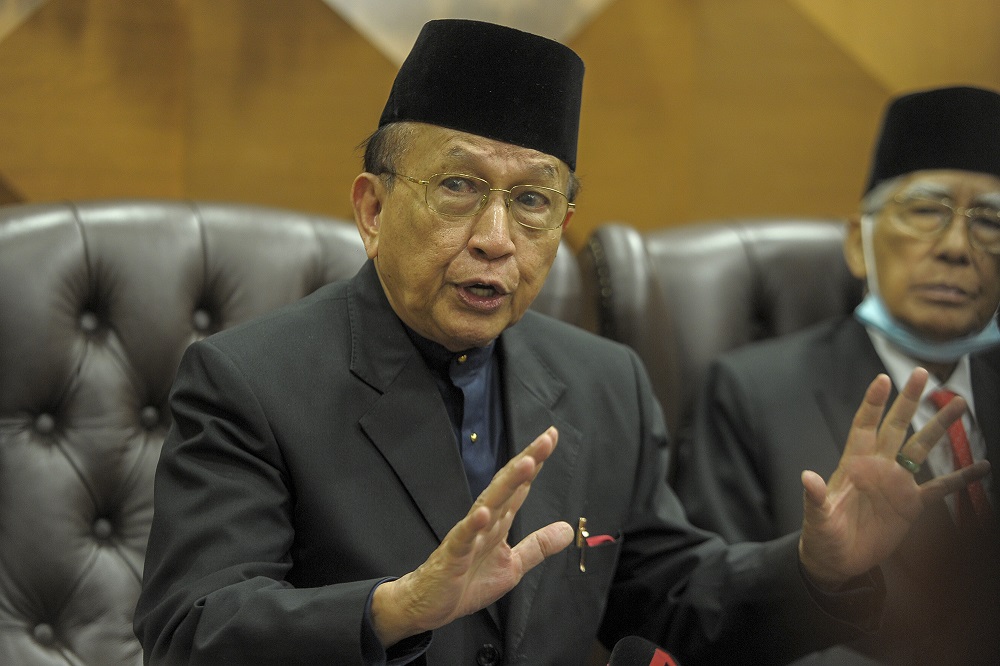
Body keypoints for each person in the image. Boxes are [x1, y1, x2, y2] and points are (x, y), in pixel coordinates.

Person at [133, 22, 985, 666]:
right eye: (460, 188)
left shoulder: (603, 379)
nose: (496, 237)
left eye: (533, 201)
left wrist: (817, 567)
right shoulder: (247, 378)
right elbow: (189, 631)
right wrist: (393, 608)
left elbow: (679, 598)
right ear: (372, 208)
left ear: (562, 223)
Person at [674, 85, 1000, 666]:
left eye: (991, 222)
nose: (956, 247)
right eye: (927, 211)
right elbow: (721, 623)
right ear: (858, 243)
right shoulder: (751, 394)